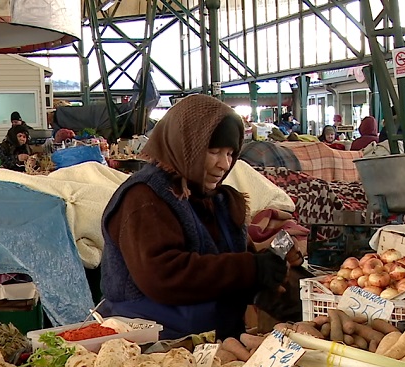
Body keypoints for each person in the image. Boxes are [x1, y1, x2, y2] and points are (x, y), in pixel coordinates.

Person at [100, 94, 290, 340]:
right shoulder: (144, 199)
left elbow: (230, 262)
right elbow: (164, 275)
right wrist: (250, 269)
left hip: (216, 342)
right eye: (213, 151)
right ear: (185, 145)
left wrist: (268, 269)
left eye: (231, 153)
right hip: (154, 347)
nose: (224, 164)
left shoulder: (213, 198)